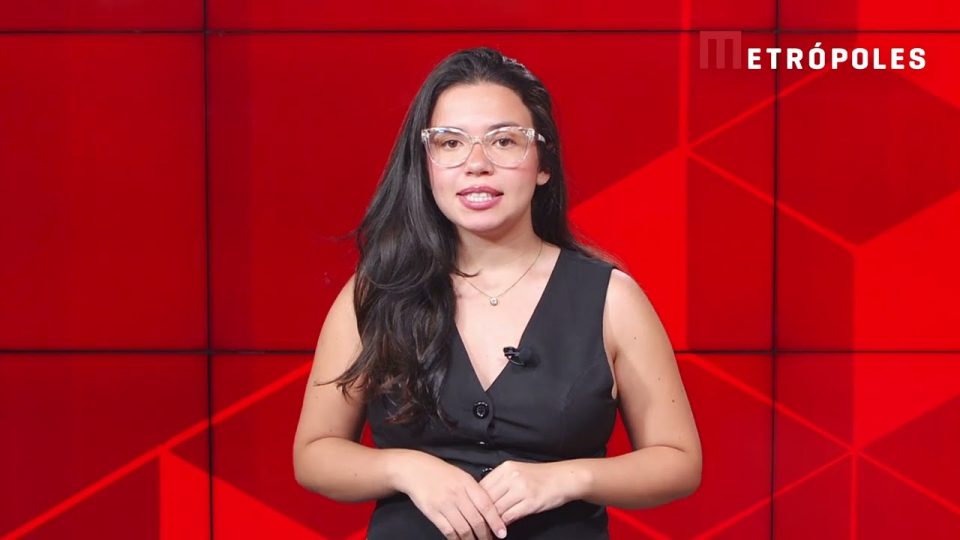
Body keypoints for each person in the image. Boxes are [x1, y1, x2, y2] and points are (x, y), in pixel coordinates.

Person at [292, 47, 702, 540]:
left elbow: (678, 460)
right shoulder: (377, 292)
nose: (477, 164)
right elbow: (314, 453)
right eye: (450, 143)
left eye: (504, 141)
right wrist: (406, 468)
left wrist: (568, 478)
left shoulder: (611, 299)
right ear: (426, 164)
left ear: (543, 163)